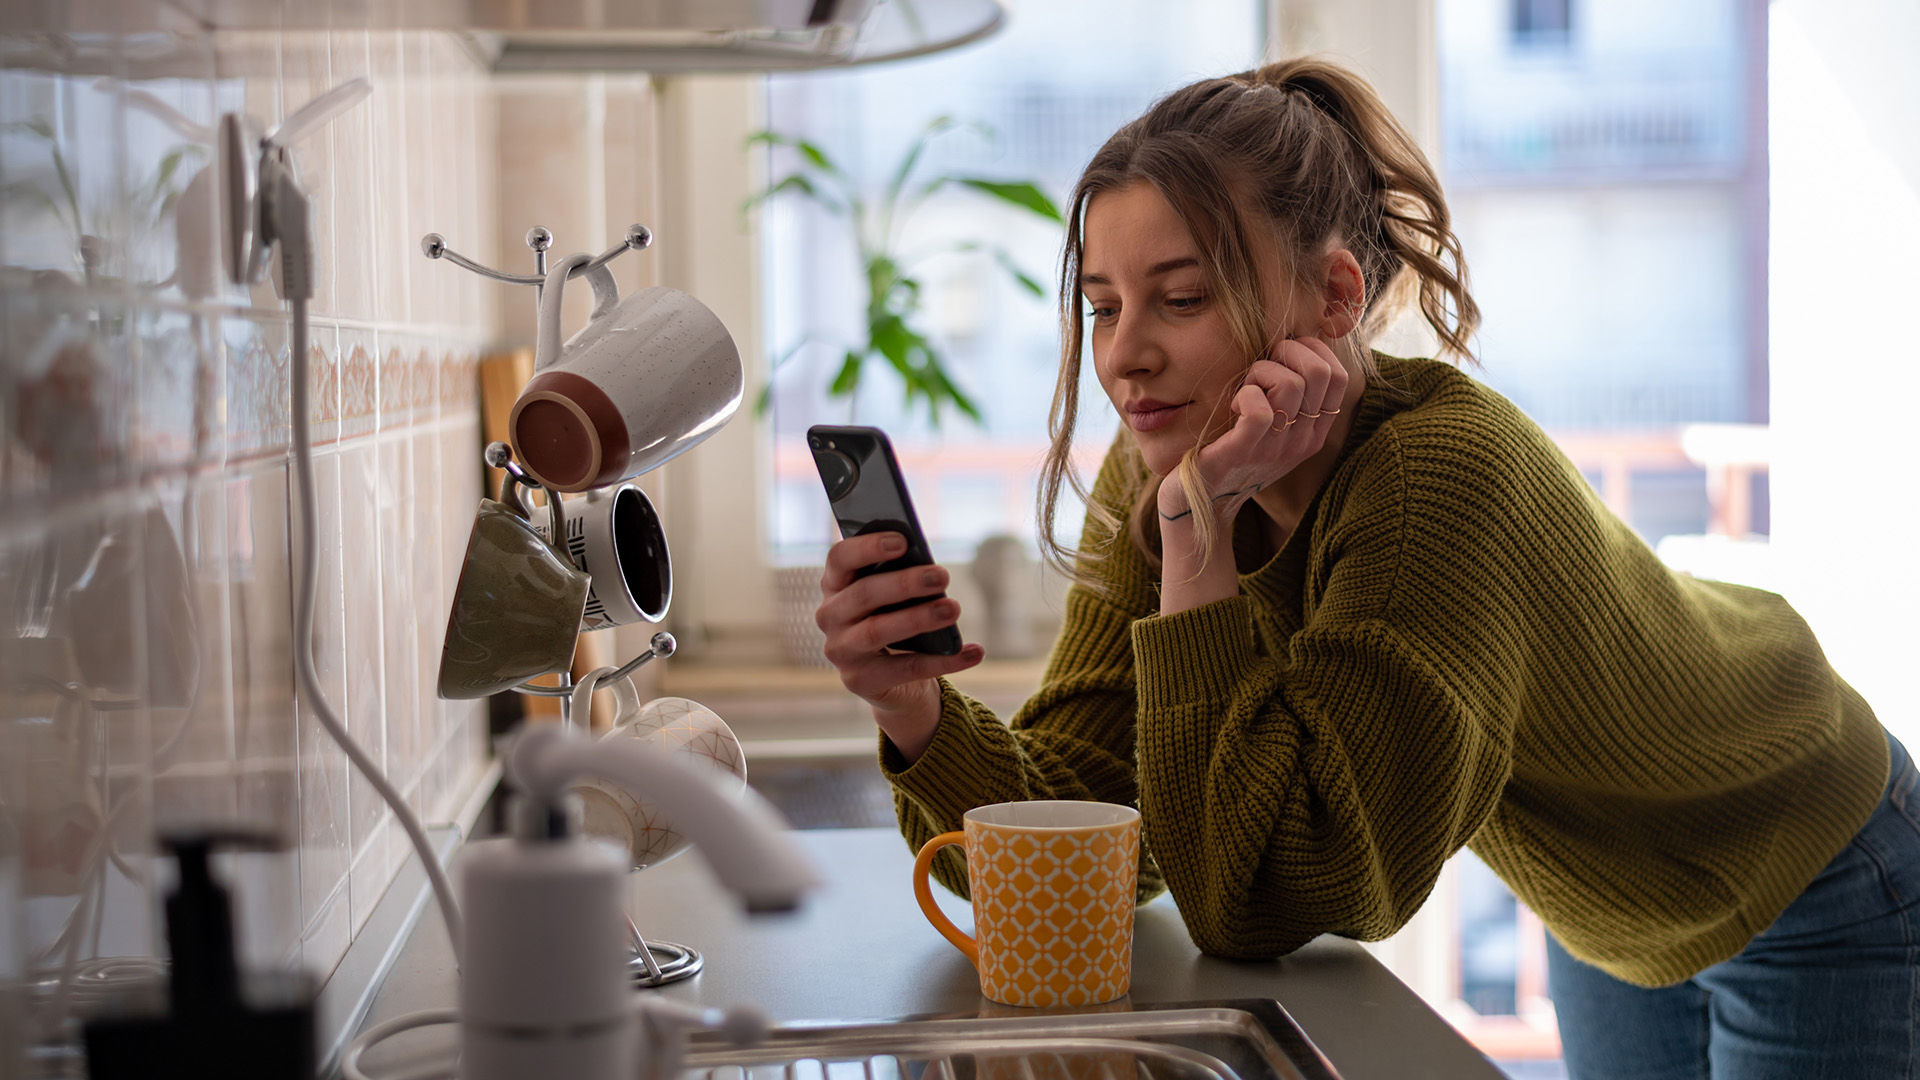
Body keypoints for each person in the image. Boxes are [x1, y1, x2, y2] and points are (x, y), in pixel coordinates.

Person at [811, 57, 1912, 1078]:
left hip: (1810, 858)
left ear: (1335, 298)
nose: (1123, 355)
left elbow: (1278, 889)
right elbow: (1104, 836)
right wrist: (915, 710)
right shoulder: (1168, 466)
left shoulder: (1437, 482)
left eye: (1181, 298)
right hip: (1611, 906)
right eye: (1102, 306)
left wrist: (1197, 544)